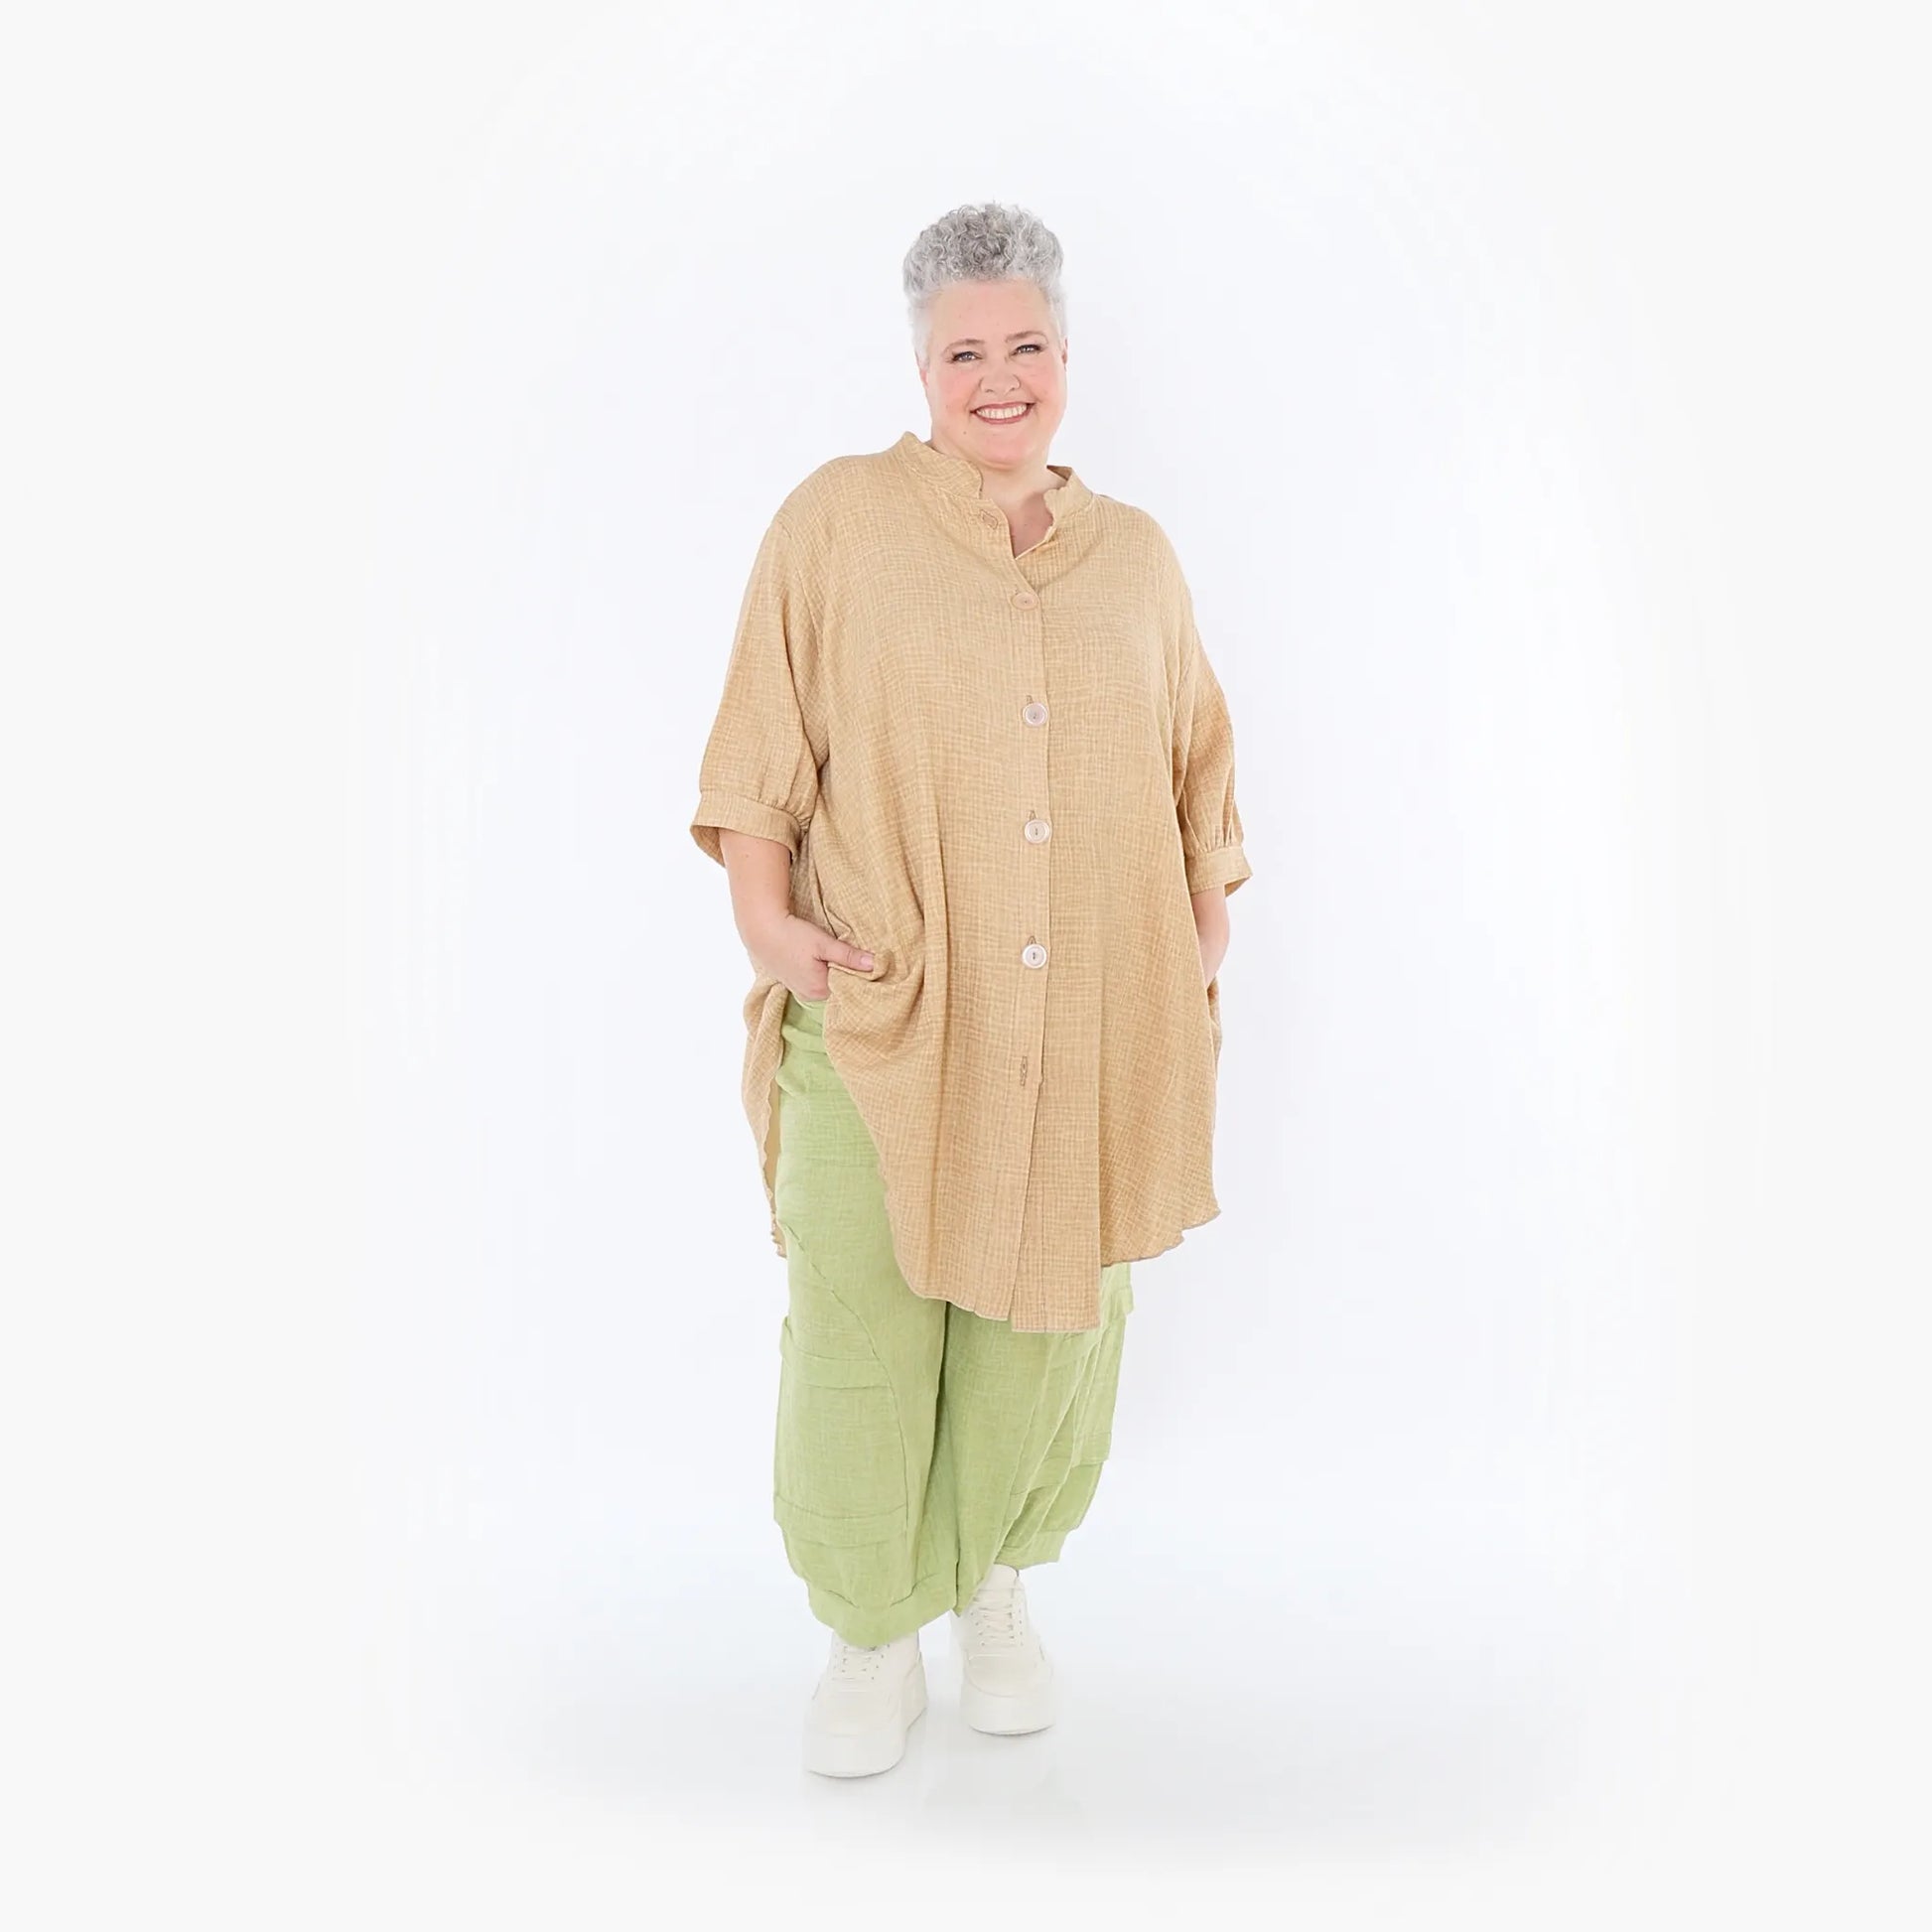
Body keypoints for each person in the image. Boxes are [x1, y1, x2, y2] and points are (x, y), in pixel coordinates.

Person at [689, 203, 1253, 1778]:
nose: (998, 378)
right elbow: (760, 743)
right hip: (877, 1020)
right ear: (921, 366)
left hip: (1084, 1036)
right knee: (860, 1335)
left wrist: (1199, 931)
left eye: (1025, 345)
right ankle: (870, 1630)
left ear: (1065, 356)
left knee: (1043, 1333)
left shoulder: (1135, 557)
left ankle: (994, 1587)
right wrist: (765, 925)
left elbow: (1196, 764)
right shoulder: (835, 524)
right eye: (963, 353)